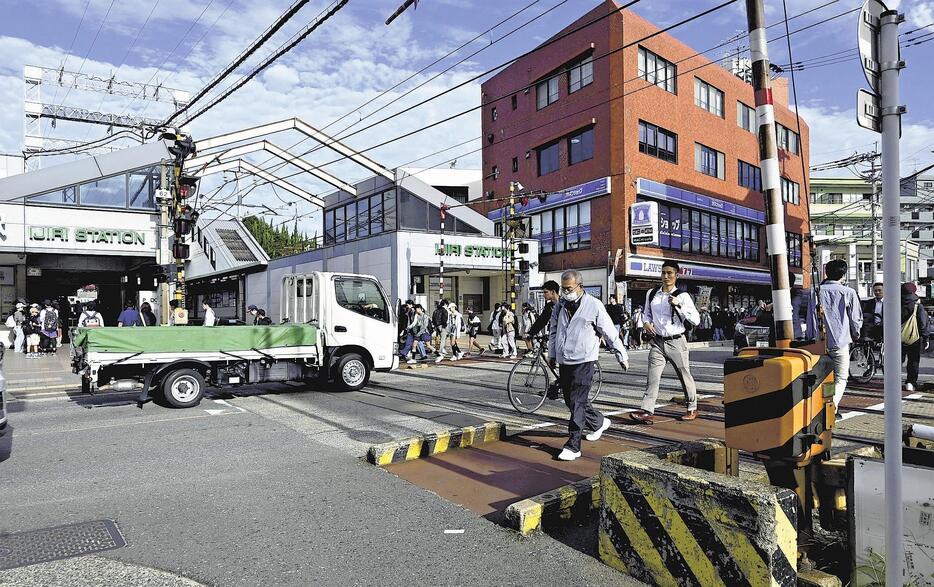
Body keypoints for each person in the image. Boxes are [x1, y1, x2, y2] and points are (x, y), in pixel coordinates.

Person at [549, 270, 629, 461]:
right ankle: (599, 422)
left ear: (580, 286)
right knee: (571, 401)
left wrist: (621, 354)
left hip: (585, 360)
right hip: (565, 359)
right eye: (563, 288)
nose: (566, 292)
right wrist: (552, 353)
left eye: (569, 288)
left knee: (577, 401)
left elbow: (608, 331)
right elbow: (553, 330)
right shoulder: (560, 306)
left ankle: (573, 445)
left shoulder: (594, 305)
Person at [630, 260, 701, 424]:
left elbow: (696, 320)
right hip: (657, 342)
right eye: (663, 272)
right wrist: (646, 323)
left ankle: (692, 407)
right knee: (652, 378)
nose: (666, 276)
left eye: (670, 273)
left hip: (676, 341)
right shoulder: (652, 293)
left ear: (677, 275)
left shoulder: (682, 295)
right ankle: (647, 411)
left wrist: (679, 305)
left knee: (684, 375)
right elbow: (646, 313)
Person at [817, 259, 862, 409]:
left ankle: (817, 406)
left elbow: (810, 317)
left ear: (826, 273)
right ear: (844, 274)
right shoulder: (849, 292)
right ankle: (831, 407)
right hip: (840, 341)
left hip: (818, 342)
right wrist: (856, 333)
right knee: (841, 377)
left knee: (819, 377)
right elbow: (855, 318)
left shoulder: (815, 291)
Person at [901, 282, 930, 392]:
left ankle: (893, 381)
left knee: (897, 360)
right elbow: (923, 322)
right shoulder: (917, 305)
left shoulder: (894, 303)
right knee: (913, 361)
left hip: (896, 337)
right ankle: (910, 382)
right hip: (913, 337)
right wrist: (926, 337)